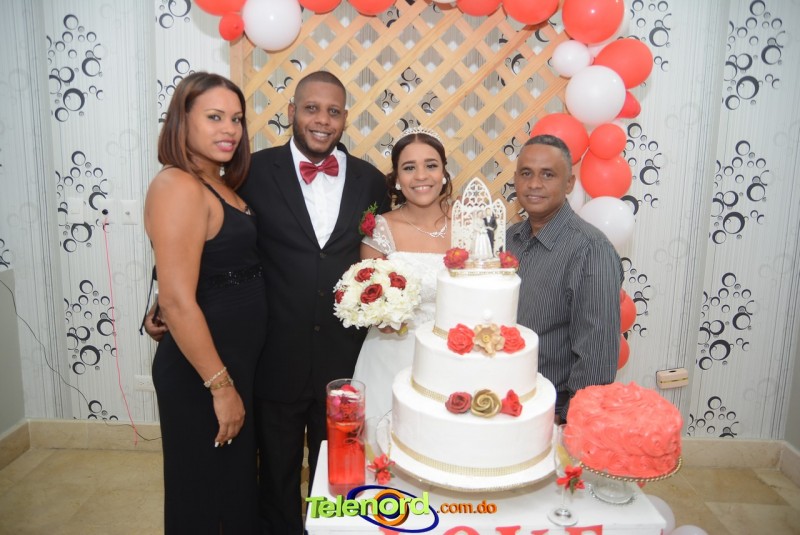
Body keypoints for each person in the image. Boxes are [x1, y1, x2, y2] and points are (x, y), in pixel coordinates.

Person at [237, 71, 389, 534]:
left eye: (333, 111)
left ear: (345, 119)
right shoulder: (252, 171)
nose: (322, 120)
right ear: (291, 112)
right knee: (276, 474)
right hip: (275, 353)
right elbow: (215, 235)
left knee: (341, 476)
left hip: (344, 361)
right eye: (311, 108)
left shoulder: (370, 181)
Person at [143, 72, 266, 533]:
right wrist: (221, 387)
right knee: (202, 498)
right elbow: (177, 300)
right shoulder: (177, 184)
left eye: (236, 119)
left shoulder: (218, 182)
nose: (229, 129)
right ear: (183, 120)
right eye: (215, 117)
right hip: (204, 375)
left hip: (232, 365)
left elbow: (201, 272)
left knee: (231, 492)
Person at [506, 134, 623, 424]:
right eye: (526, 173)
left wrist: (569, 420)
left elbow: (596, 354)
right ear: (516, 180)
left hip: (552, 411)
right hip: (503, 399)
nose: (534, 184)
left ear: (569, 184)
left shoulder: (591, 249)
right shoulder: (509, 239)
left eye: (548, 174)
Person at [352, 127, 452, 425]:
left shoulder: (468, 224)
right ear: (397, 178)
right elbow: (370, 301)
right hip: (390, 356)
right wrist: (382, 317)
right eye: (409, 168)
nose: (421, 176)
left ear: (444, 173)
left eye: (431, 165)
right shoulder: (380, 230)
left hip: (453, 358)